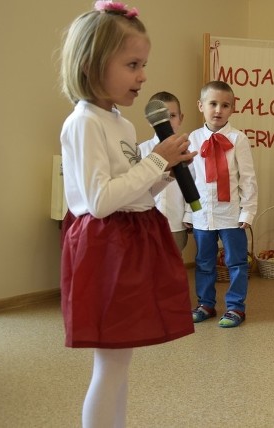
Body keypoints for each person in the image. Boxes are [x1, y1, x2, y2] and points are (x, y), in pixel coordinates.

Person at [58, 3, 195, 426]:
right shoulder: (84, 122)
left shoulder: (118, 121)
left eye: (143, 64)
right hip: (104, 248)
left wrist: (162, 175)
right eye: (132, 64)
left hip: (126, 241)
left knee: (120, 364)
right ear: (91, 65)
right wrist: (155, 162)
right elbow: (99, 201)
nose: (143, 76)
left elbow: (130, 191)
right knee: (110, 366)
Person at [185, 81, 258, 328]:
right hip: (203, 214)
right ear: (200, 106)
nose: (218, 110)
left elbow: (248, 179)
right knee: (204, 262)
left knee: (236, 262)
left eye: (225, 105)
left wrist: (247, 211)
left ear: (232, 108)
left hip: (231, 214)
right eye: (213, 104)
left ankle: (236, 307)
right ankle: (206, 303)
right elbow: (190, 181)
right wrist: (189, 211)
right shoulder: (193, 138)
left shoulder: (239, 139)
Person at [139, 91, 190, 252]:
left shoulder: (187, 152)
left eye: (172, 115)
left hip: (176, 222)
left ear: (180, 118)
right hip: (147, 223)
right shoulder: (141, 150)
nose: (166, 122)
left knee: (173, 267)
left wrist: (189, 214)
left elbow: (194, 184)